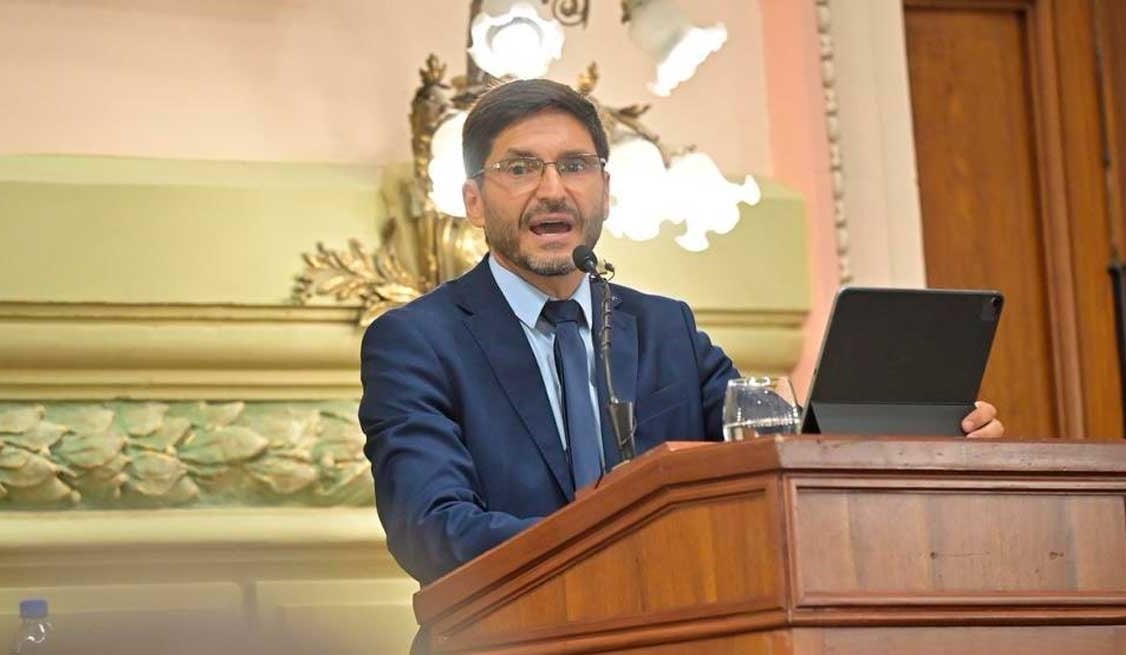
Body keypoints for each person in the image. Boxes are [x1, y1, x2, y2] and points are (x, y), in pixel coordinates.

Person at [359, 79, 1004, 589]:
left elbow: (775, 459)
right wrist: (612, 541)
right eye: (521, 168)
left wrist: (926, 443)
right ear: (474, 200)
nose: (553, 190)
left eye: (576, 165)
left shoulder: (666, 328)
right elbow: (432, 530)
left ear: (605, 191)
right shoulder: (416, 342)